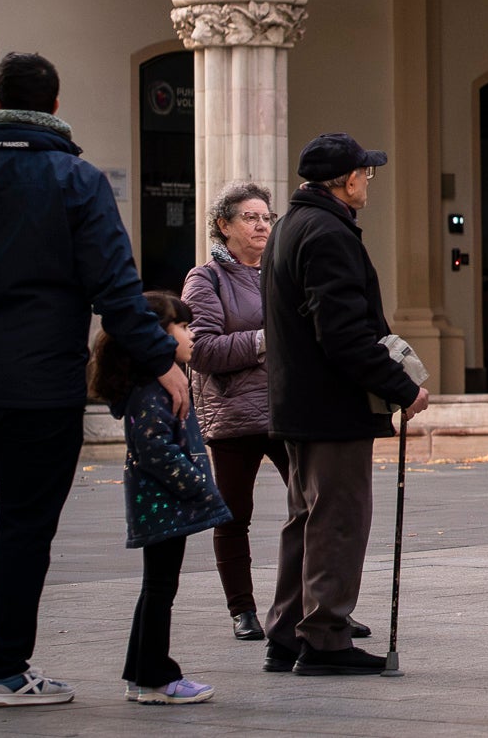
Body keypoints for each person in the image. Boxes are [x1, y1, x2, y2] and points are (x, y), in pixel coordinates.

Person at [0, 52, 186, 708]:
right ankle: (2, 671)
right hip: (42, 387)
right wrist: (162, 361)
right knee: (24, 527)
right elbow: (115, 288)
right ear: (54, 106)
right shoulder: (77, 181)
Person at [262, 132, 428, 677]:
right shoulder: (329, 233)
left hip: (298, 402)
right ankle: (326, 637)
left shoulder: (288, 226)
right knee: (337, 520)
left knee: (305, 518)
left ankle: (287, 632)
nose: (369, 183)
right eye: (366, 173)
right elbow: (342, 334)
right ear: (348, 180)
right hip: (331, 407)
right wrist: (402, 387)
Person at [92, 291, 230, 705]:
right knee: (160, 588)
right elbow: (156, 449)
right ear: (157, 336)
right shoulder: (152, 389)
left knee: (157, 587)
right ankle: (156, 676)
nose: (192, 335)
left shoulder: (158, 384)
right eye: (184, 327)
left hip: (164, 506)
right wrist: (200, 487)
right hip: (163, 506)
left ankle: (141, 671)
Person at [183, 182, 293, 642]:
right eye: (250, 217)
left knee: (315, 509)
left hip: (289, 409)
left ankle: (321, 606)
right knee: (234, 516)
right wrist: (263, 342)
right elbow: (201, 348)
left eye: (266, 217)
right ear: (223, 225)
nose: (262, 224)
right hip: (233, 415)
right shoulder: (205, 279)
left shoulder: (282, 273)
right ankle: (242, 610)